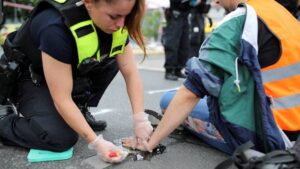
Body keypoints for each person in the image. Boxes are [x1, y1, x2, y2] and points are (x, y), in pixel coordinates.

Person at [0, 0, 153, 163]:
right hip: (27, 74)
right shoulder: (55, 27)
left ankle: (78, 109)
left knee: (111, 58)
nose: (121, 24)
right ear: (89, 3)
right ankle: (4, 123)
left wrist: (140, 119)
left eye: (126, 16)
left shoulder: (116, 23)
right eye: (114, 16)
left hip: (62, 73)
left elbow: (131, 73)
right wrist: (97, 143)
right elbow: (62, 99)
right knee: (59, 137)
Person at [143, 0, 300, 154]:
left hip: (270, 137)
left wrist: (149, 143)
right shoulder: (283, 14)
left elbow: (190, 93)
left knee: (168, 99)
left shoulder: (241, 19)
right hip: (294, 133)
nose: (217, 1)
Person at [162, 0, 192, 81]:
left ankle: (178, 69)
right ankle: (169, 70)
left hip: (185, 15)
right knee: (172, 43)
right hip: (174, 15)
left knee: (184, 45)